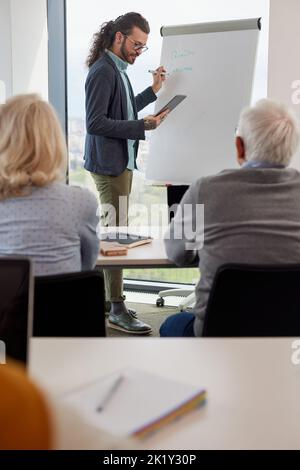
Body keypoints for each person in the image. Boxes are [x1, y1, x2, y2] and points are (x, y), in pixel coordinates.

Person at [160, 99, 300, 336]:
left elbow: (177, 253)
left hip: (218, 334)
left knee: (171, 324)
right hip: (290, 337)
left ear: (239, 146)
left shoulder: (205, 189)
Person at [84, 12, 168, 334]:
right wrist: (141, 125)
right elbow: (95, 122)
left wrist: (153, 92)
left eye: (143, 47)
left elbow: (125, 107)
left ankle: (110, 301)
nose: (138, 51)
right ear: (118, 37)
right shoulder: (103, 71)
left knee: (115, 229)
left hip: (119, 160)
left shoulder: (116, 70)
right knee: (116, 233)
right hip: (110, 164)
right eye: (136, 44)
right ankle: (117, 308)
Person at [0, 94, 99, 276]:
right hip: (63, 303)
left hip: (8, 304)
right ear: (55, 141)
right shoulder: (81, 202)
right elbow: (87, 266)